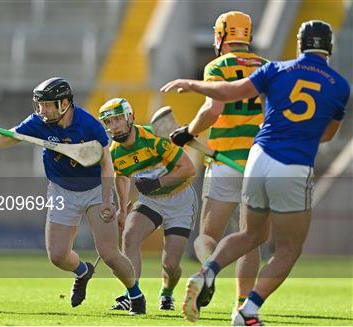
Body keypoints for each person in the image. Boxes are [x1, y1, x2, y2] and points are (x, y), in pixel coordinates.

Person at [161, 20, 350, 325]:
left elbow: (227, 93)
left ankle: (208, 271)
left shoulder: (276, 69)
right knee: (288, 248)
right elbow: (326, 135)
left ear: (300, 45)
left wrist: (193, 84)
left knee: (248, 233)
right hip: (292, 165)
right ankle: (246, 309)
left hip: (257, 158)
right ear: (330, 47)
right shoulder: (340, 85)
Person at [0, 77, 145, 314]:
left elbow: (107, 165)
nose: (42, 110)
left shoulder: (89, 124)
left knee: (109, 253)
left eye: (47, 105)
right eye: (40, 105)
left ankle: (135, 296)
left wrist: (107, 199)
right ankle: (83, 271)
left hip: (95, 190)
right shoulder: (38, 122)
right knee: (58, 256)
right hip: (61, 190)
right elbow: (7, 138)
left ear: (64, 103)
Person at [168, 11, 270, 316]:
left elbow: (213, 109)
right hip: (259, 163)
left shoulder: (218, 66)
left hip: (224, 161)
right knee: (250, 239)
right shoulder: (267, 67)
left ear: (222, 35)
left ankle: (207, 275)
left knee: (207, 235)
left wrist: (189, 131)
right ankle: (242, 307)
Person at [98, 98, 198, 312]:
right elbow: (122, 177)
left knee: (171, 265)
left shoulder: (155, 138)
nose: (114, 126)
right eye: (109, 122)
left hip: (180, 199)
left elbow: (189, 169)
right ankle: (131, 295)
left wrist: (157, 182)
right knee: (129, 236)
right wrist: (123, 209)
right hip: (151, 200)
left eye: (118, 119)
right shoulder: (115, 152)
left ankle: (167, 292)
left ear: (130, 118)